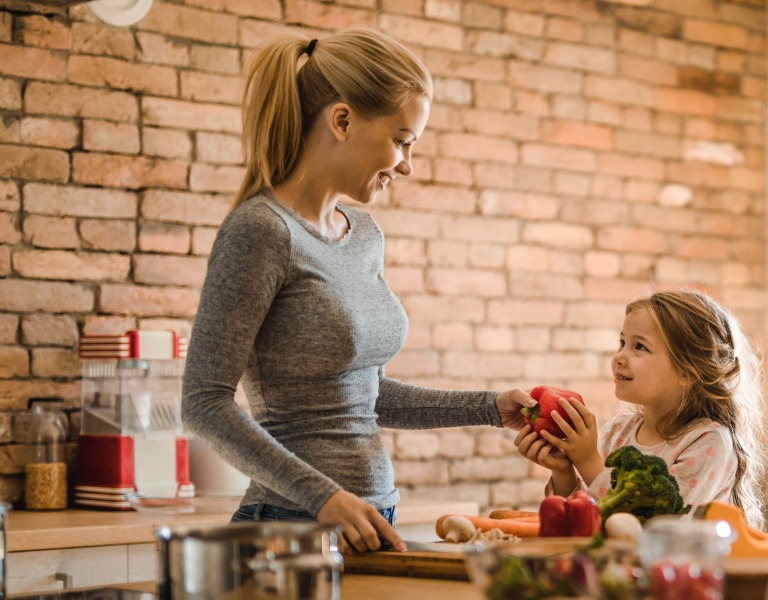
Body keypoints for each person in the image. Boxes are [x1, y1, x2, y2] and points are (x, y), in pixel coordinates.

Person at [182, 28, 533, 554]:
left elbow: (365, 397)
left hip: (370, 519)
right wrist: (325, 498)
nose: (408, 164)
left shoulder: (363, 233)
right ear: (342, 120)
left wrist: (489, 406)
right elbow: (203, 403)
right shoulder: (260, 231)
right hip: (290, 527)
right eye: (402, 140)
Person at [513, 290, 768, 527]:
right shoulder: (619, 431)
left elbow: (655, 529)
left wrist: (588, 461)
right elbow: (592, 520)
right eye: (622, 342)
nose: (619, 357)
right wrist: (564, 470)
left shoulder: (709, 442)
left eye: (640, 346)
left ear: (687, 371)